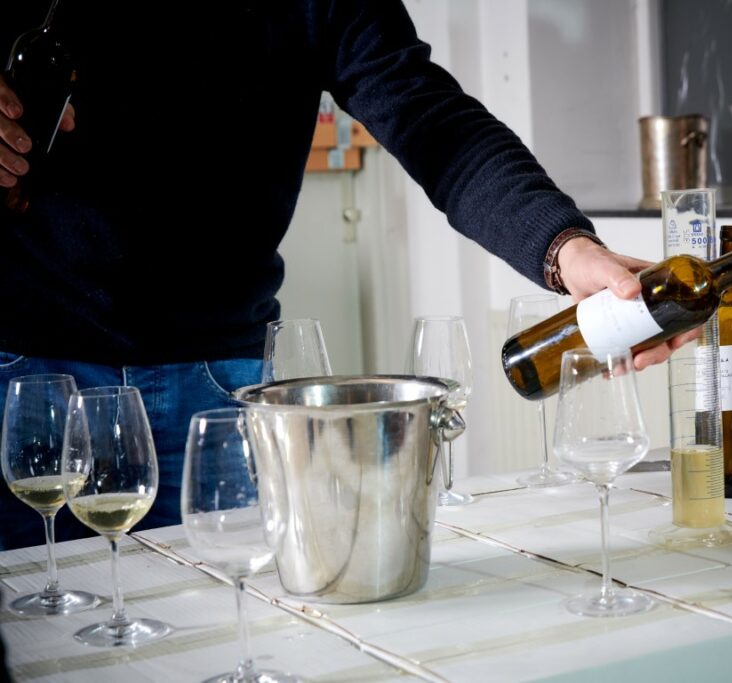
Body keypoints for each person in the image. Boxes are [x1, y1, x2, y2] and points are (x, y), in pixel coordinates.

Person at [0, 0, 689, 550]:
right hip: (29, 378)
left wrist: (565, 249)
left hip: (227, 386)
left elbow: (434, 124)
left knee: (242, 632)